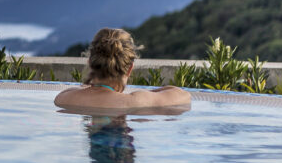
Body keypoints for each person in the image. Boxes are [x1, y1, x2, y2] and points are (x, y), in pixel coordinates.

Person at [54, 27, 191, 112]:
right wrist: (145, 94)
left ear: (90, 64)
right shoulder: (135, 101)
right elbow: (184, 95)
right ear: (129, 68)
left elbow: (80, 88)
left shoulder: (64, 98)